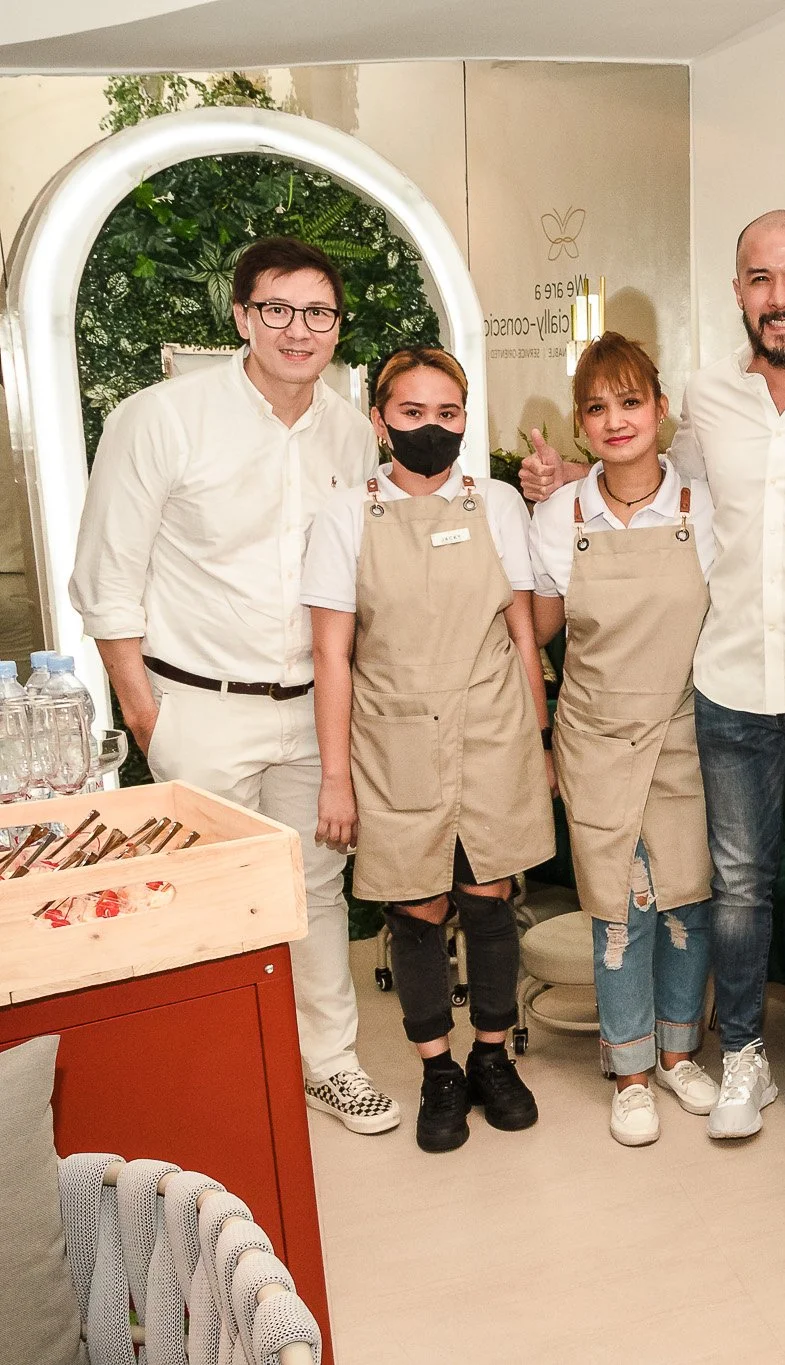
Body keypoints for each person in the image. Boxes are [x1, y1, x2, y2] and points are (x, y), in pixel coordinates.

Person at [522, 210, 785, 1154]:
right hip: (727, 684)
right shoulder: (706, 399)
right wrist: (575, 472)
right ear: (738, 292)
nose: (780, 297)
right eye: (760, 279)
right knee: (731, 887)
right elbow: (647, 481)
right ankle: (741, 1054)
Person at [71, 236, 399, 1136]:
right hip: (198, 707)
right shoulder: (160, 418)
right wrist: (147, 714)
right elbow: (107, 577)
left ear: (338, 325)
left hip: (313, 708)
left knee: (319, 890)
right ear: (242, 315)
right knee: (203, 902)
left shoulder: (346, 425)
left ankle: (328, 1064)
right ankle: (219, 1084)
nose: (300, 330)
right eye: (278, 310)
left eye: (319, 312)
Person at [302, 346, 553, 1153]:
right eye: (412, 413)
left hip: (491, 730)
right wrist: (335, 778)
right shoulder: (345, 517)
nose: (431, 429)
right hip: (393, 737)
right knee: (416, 907)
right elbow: (331, 655)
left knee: (488, 899)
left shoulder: (500, 504)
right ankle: (436, 1069)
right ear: (380, 420)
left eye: (448, 414)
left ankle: (490, 1057)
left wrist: (538, 742)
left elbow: (522, 632)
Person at [528, 332, 721, 1148]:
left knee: (686, 897)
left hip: (684, 729)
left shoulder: (703, 507)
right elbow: (534, 632)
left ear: (661, 409)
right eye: (597, 407)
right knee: (619, 905)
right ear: (580, 422)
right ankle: (631, 1069)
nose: (616, 420)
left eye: (630, 401)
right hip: (597, 733)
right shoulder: (556, 516)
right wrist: (539, 742)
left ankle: (681, 1052)